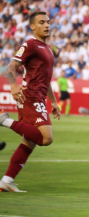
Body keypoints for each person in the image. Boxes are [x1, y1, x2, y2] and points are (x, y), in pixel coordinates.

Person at [0, 12, 61, 192]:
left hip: (39, 96)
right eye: (41, 22)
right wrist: (13, 85)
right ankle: (4, 120)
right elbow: (11, 67)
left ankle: (7, 180)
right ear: (32, 26)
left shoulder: (47, 48)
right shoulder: (30, 44)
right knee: (46, 138)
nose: (47, 25)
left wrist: (54, 102)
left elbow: (46, 79)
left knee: (29, 142)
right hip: (31, 96)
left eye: (48, 22)